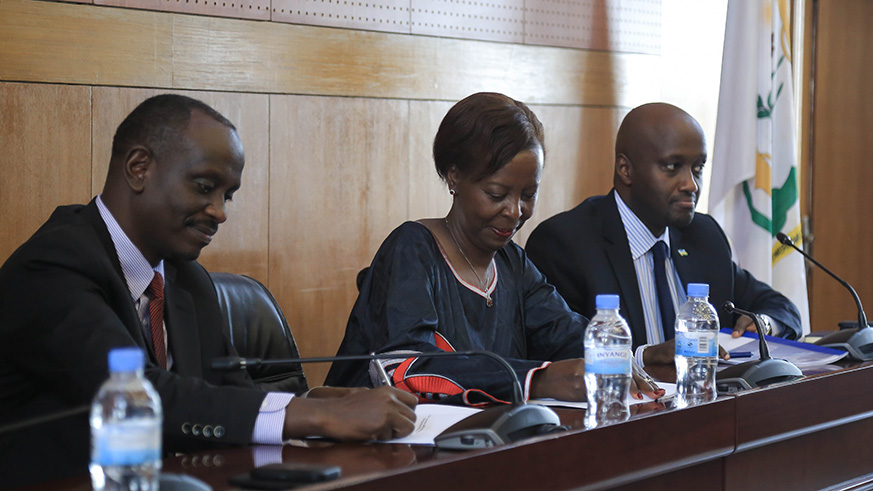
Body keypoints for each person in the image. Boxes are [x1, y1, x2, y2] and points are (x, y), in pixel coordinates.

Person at [0, 95, 417, 483]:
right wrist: (314, 416)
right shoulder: (52, 266)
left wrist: (321, 402)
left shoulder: (185, 279)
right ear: (139, 168)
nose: (219, 211)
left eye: (227, 196)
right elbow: (141, 398)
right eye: (204, 187)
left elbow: (224, 395)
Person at [325, 92, 661, 404]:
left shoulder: (511, 261)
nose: (515, 212)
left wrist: (613, 356)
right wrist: (537, 381)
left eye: (528, 195)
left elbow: (562, 331)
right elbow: (409, 370)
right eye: (497, 194)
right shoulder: (412, 249)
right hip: (378, 450)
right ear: (455, 177)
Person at [526, 103, 802, 366]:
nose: (691, 184)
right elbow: (561, 350)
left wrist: (763, 323)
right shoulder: (566, 243)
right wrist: (645, 357)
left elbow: (781, 308)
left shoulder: (703, 236)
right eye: (673, 167)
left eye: (698, 168)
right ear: (626, 170)